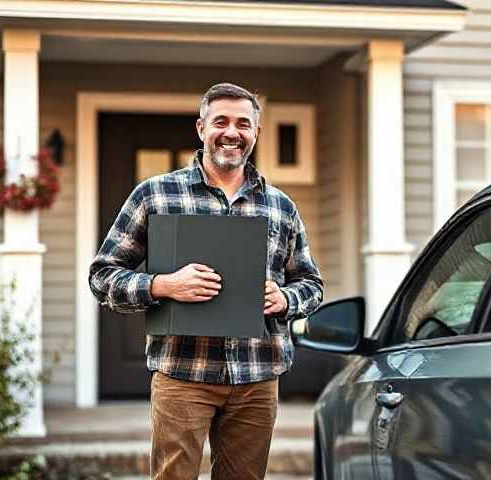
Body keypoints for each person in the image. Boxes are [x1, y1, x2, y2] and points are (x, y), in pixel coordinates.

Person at [88, 82, 324, 480]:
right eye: (221, 122)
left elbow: (312, 284)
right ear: (201, 129)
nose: (232, 132)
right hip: (183, 373)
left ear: (256, 134)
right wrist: (161, 285)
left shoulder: (281, 206)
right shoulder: (156, 195)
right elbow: (102, 276)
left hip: (257, 376)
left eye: (243, 124)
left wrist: (284, 299)